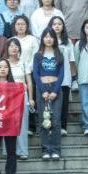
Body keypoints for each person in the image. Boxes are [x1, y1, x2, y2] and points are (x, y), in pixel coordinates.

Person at [33, 28, 64, 160]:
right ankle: (46, 150)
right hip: (42, 89)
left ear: (54, 39)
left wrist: (55, 91)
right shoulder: (38, 55)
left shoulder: (59, 54)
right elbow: (35, 74)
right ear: (42, 39)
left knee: (56, 121)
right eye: (46, 36)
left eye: (51, 36)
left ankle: (56, 150)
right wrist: (43, 91)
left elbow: (61, 74)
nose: (48, 39)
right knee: (43, 120)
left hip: (56, 89)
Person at [6, 38, 35, 160]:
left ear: (19, 48)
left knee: (22, 124)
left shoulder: (24, 63)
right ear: (7, 48)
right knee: (8, 124)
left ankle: (22, 150)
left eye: (16, 46)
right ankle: (9, 151)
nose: (14, 48)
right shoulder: (4, 63)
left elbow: (29, 82)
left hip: (22, 95)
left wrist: (31, 98)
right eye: (11, 46)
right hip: (7, 97)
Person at [49, 16, 75, 137]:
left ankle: (63, 127)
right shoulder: (47, 40)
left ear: (63, 26)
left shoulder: (67, 42)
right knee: (51, 104)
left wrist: (73, 78)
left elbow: (71, 60)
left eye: (59, 24)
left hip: (65, 78)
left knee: (64, 104)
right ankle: (51, 126)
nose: (57, 26)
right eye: (54, 24)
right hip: (50, 78)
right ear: (51, 26)